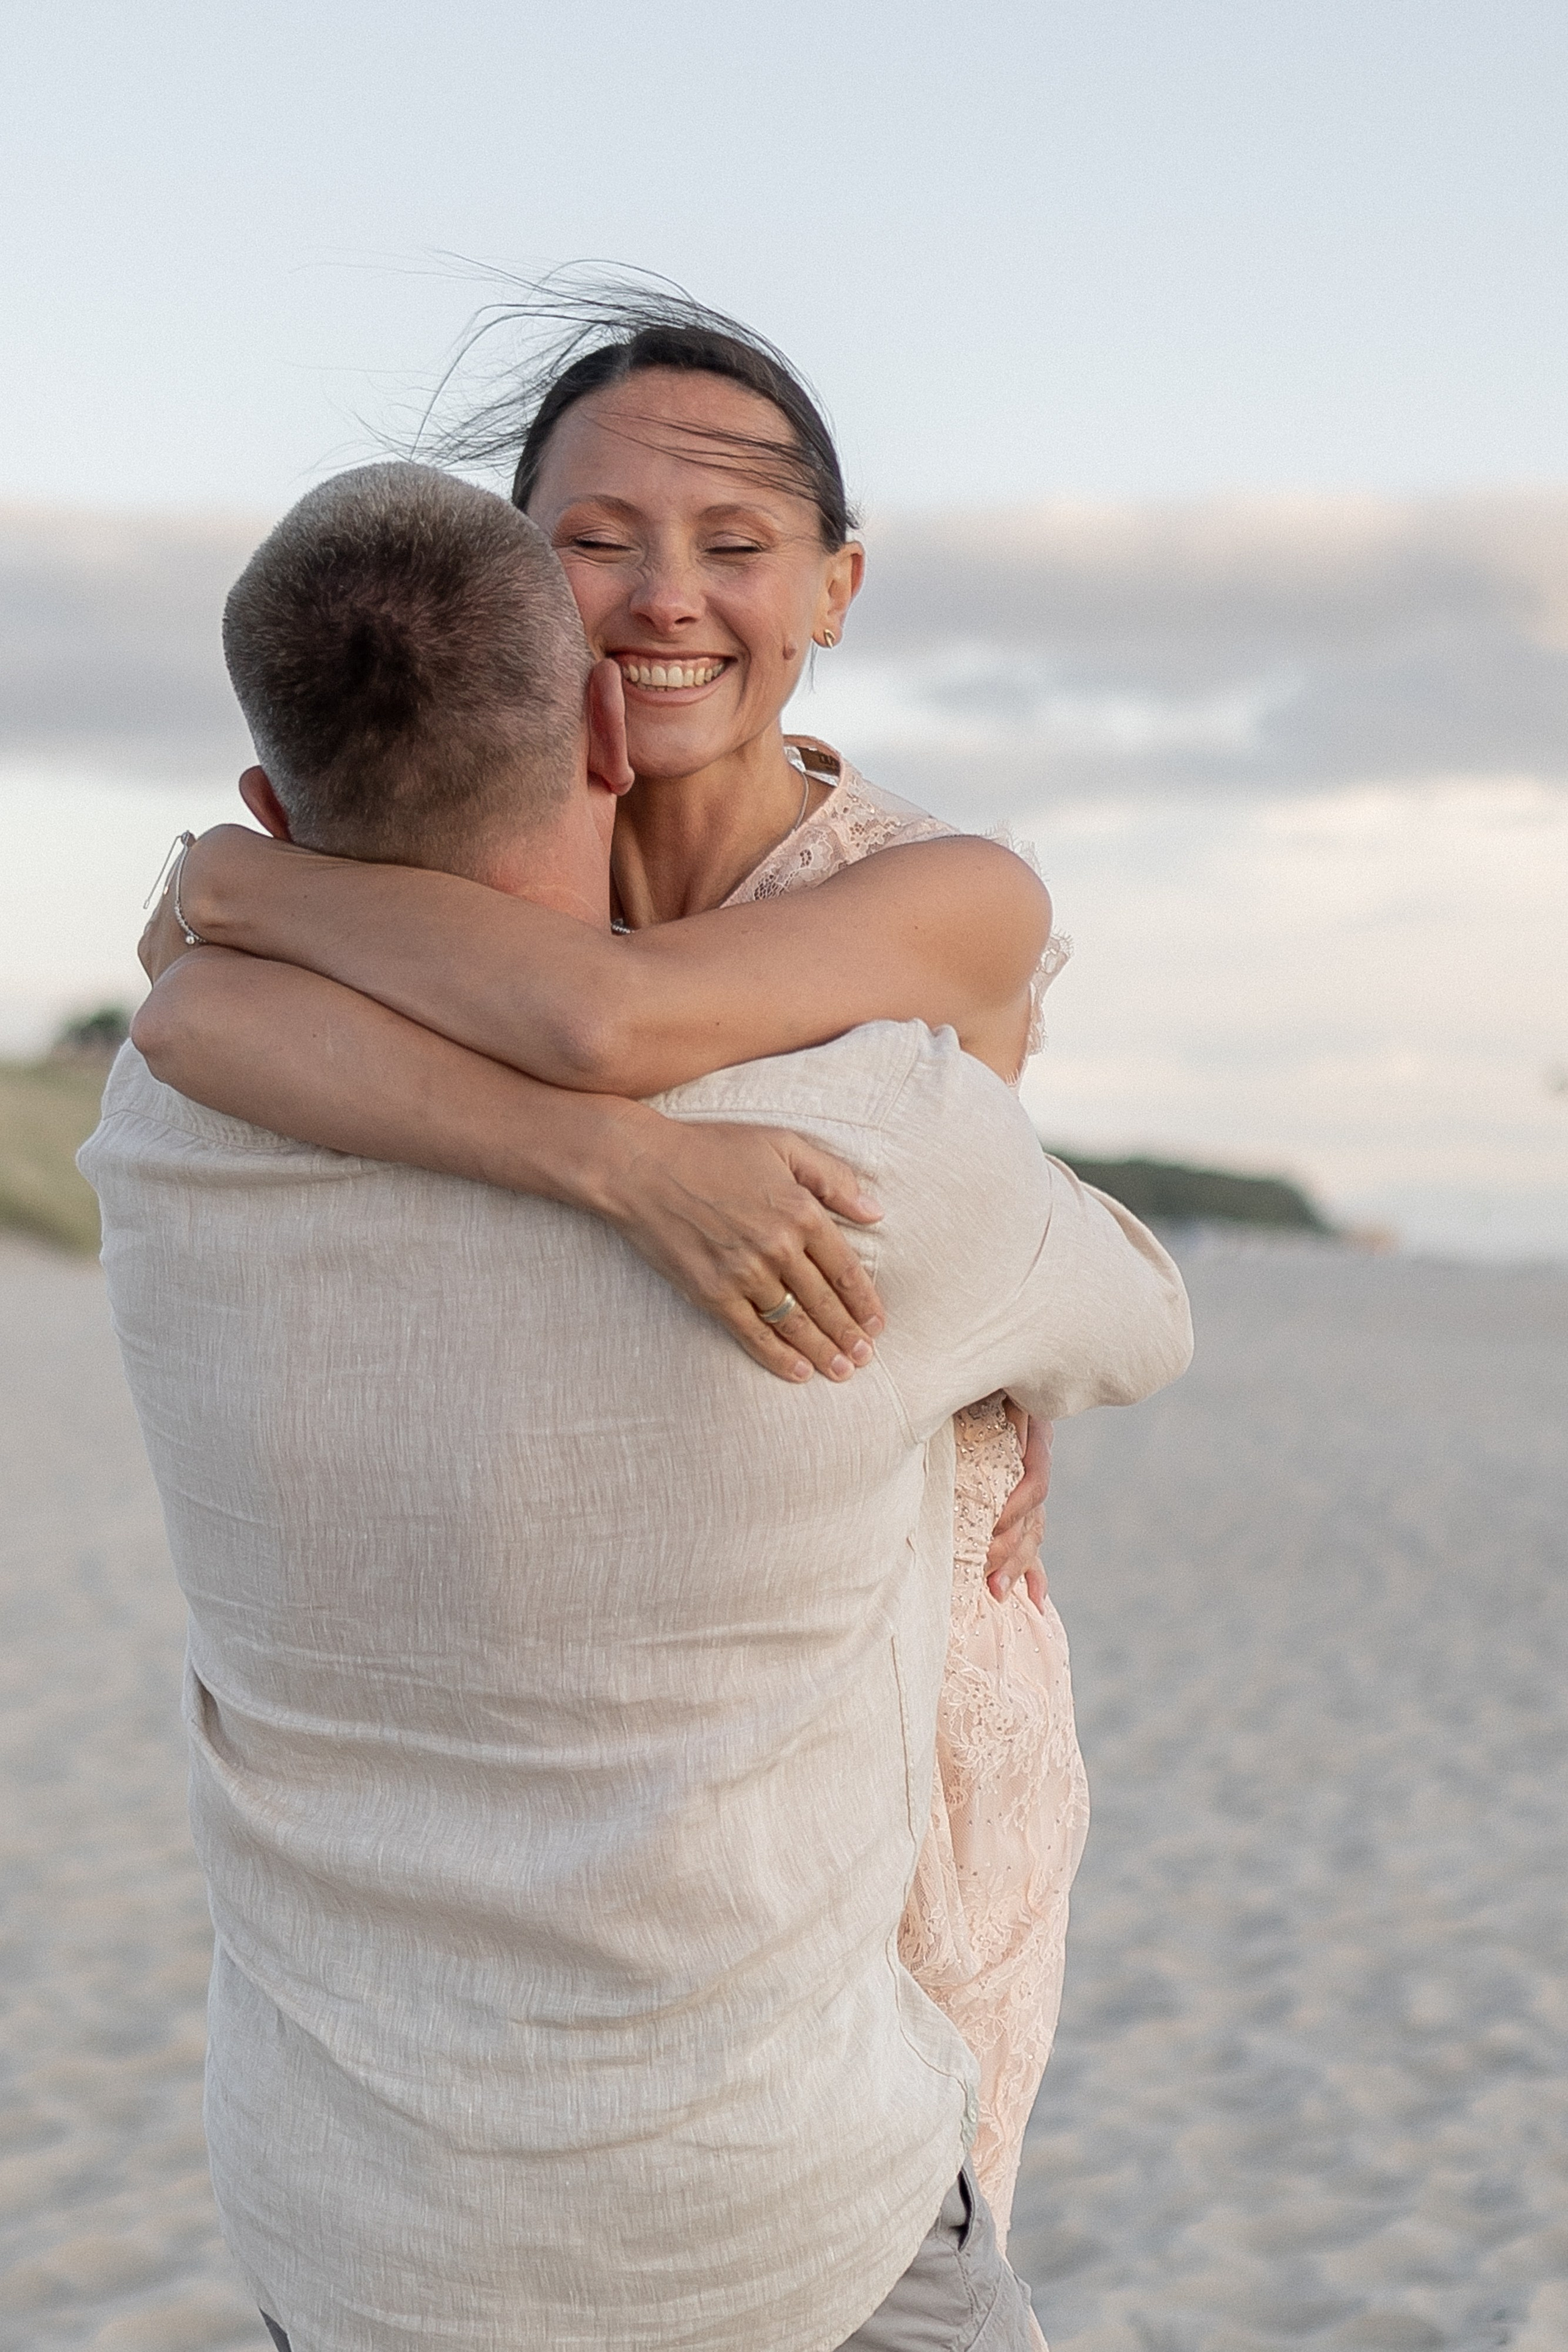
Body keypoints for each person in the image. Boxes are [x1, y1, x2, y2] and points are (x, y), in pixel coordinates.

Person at [94, 462, 1193, 2351]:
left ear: (272, 811)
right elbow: (1138, 1317)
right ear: (611, 714)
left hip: (345, 2227)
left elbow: (189, 1009)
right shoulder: (862, 1146)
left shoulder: (169, 1127)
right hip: (763, 2229)